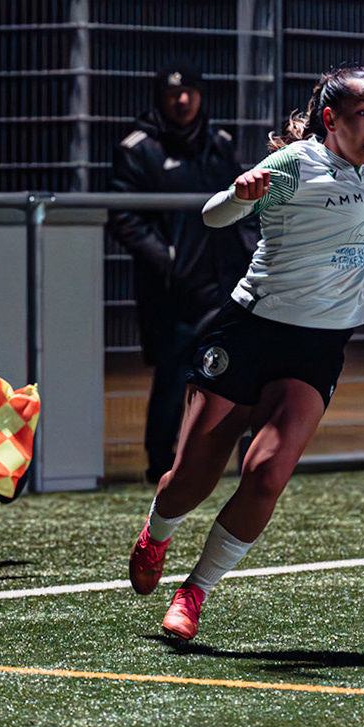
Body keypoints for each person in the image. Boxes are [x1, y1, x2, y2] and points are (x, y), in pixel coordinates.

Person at [126, 0, 364, 641]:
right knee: (189, 478)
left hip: (318, 346)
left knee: (266, 474)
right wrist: (239, 193)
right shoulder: (294, 165)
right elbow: (212, 215)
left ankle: (194, 594)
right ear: (330, 122)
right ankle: (157, 533)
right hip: (250, 330)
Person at [109, 63, 258, 482]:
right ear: (161, 97)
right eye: (174, 93)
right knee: (173, 376)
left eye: (190, 91)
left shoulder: (220, 143)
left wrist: (250, 253)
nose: (182, 99)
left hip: (226, 283)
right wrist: (169, 259)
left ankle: (238, 456)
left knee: (237, 368)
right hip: (172, 290)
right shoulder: (138, 148)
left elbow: (245, 204)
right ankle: (160, 462)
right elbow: (124, 217)